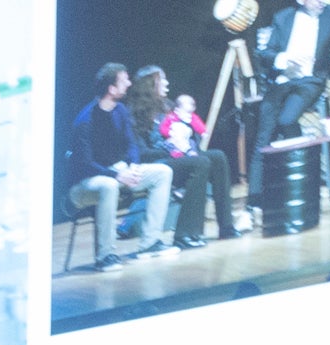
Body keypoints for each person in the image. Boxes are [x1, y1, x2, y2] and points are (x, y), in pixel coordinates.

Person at [67, 62, 174, 270]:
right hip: (84, 185)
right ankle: (104, 256)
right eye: (124, 80)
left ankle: (149, 243)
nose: (129, 83)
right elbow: (85, 164)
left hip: (117, 173)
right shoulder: (86, 120)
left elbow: (131, 144)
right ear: (112, 89)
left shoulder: (121, 111)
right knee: (109, 185)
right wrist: (117, 175)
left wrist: (133, 166)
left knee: (162, 172)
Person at [253, 2, 330, 162]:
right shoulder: (283, 17)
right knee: (263, 134)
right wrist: (285, 58)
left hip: (310, 81)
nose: (321, 2)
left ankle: (303, 163)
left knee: (286, 119)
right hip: (282, 81)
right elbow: (266, 54)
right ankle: (257, 186)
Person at [128, 67, 223, 248]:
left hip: (183, 154)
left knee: (217, 157)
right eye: (162, 79)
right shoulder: (136, 113)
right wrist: (170, 151)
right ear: (151, 84)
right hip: (160, 160)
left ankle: (226, 226)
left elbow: (189, 129)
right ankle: (185, 233)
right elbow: (141, 152)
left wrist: (190, 137)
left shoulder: (169, 106)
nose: (167, 83)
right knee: (200, 163)